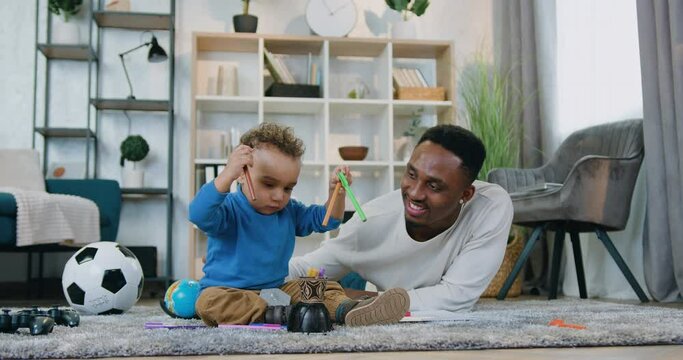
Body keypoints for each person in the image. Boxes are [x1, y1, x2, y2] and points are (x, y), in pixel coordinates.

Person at [189, 122, 410, 326]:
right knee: (208, 303)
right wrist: (226, 174)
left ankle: (350, 309)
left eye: (287, 188)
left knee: (322, 286)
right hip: (229, 292)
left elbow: (327, 221)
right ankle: (285, 314)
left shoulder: (289, 210)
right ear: (242, 174)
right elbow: (198, 214)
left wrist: (337, 194)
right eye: (268, 184)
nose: (278, 196)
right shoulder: (228, 209)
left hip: (275, 292)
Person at [290, 124, 514, 312]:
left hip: (370, 292)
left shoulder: (490, 206)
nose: (415, 193)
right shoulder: (370, 223)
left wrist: (371, 301)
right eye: (411, 174)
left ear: (466, 194)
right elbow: (305, 270)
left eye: (433, 185)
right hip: (355, 279)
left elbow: (456, 297)